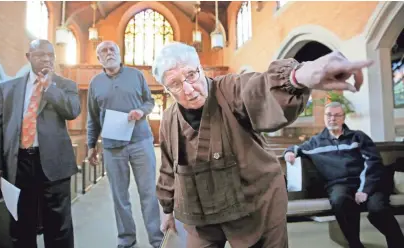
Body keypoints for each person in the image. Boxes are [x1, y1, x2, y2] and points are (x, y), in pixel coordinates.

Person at [153, 41, 374, 248]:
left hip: (256, 205)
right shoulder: (170, 119)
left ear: (201, 68)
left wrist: (297, 77)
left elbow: (257, 89)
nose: (189, 89)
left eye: (191, 75)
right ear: (167, 90)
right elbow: (168, 167)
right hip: (199, 212)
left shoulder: (229, 90)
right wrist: (166, 208)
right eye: (175, 84)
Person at [0, 39, 80, 248]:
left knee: (58, 227)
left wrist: (49, 88)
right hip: (18, 164)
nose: (46, 59)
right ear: (28, 57)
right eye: (40, 55)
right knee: (21, 225)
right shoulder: (7, 89)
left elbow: (72, 111)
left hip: (53, 165)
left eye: (50, 55)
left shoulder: (66, 85)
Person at [284, 102, 404, 248]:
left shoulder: (358, 137)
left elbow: (374, 163)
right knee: (339, 200)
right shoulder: (315, 142)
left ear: (343, 118)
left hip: (369, 182)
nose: (332, 119)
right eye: (329, 115)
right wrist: (289, 152)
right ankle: (354, 244)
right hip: (339, 184)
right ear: (324, 117)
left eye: (336, 115)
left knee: (377, 209)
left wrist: (364, 190)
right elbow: (296, 148)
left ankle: (398, 243)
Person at [87, 40, 163, 248]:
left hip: (141, 141)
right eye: (104, 50)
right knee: (120, 196)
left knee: (148, 193)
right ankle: (127, 240)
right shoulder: (95, 83)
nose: (109, 52)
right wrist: (91, 145)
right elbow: (93, 117)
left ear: (120, 54)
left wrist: (141, 111)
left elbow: (150, 101)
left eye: (113, 49)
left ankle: (157, 240)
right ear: (99, 58)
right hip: (113, 146)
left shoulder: (136, 75)